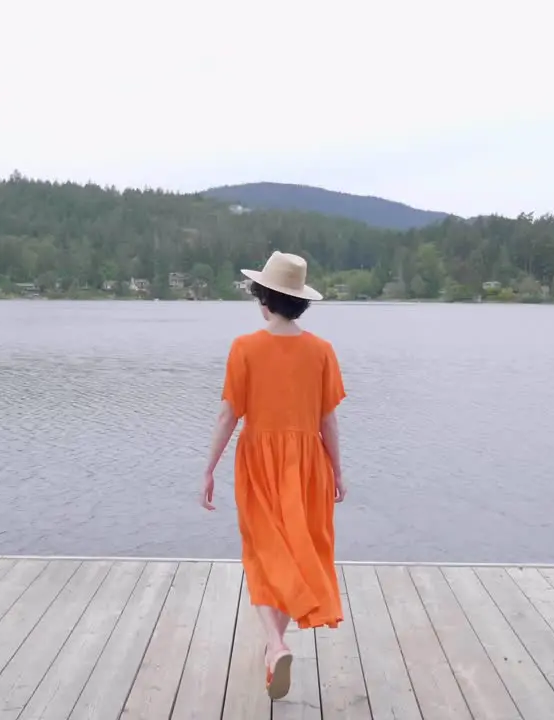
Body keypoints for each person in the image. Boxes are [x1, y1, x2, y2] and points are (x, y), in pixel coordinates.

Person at [201, 250, 346, 700]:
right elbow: (329, 421)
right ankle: (274, 646)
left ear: (264, 298)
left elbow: (228, 415)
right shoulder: (322, 351)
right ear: (300, 301)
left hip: (260, 462)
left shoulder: (245, 348)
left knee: (264, 552)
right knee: (298, 552)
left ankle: (275, 643)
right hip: (309, 465)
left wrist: (208, 469)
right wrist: (339, 471)